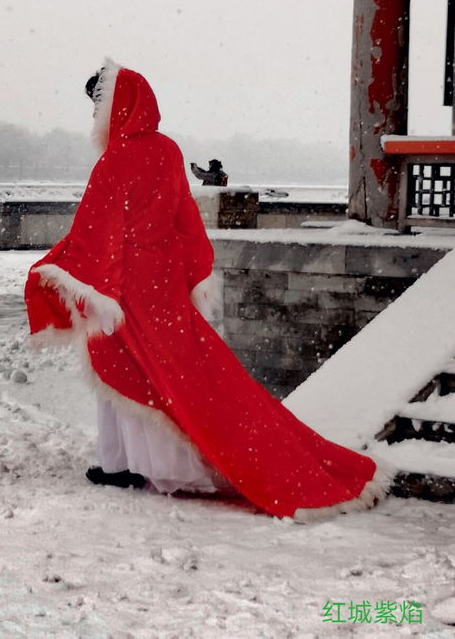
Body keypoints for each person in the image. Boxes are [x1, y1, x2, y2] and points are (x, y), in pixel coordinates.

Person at [24, 58, 391, 521]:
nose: (95, 117)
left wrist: (57, 265)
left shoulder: (115, 158)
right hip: (164, 284)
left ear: (114, 107)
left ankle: (127, 462)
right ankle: (163, 460)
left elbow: (95, 231)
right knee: (188, 378)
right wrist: (189, 274)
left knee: (126, 367)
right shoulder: (167, 151)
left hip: (126, 286)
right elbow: (185, 221)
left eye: (97, 106)